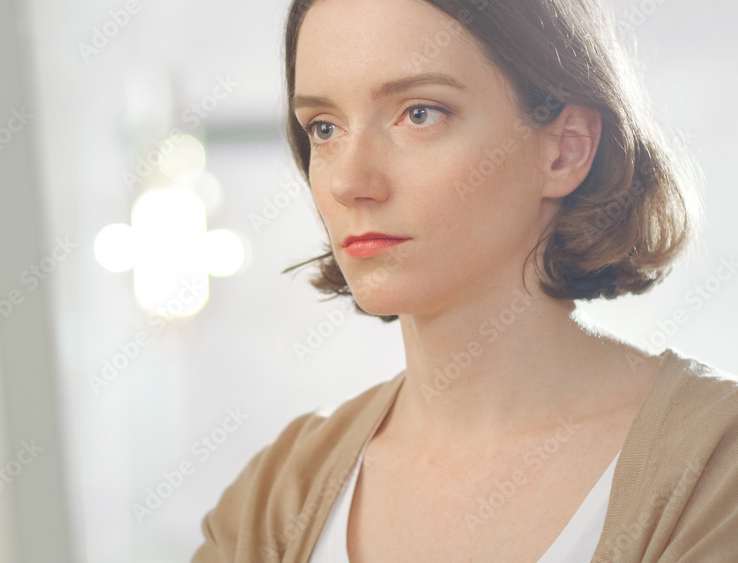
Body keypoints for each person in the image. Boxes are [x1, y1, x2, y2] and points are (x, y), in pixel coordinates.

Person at [193, 0, 738, 561]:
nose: (350, 182)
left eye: (420, 113)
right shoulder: (275, 495)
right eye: (324, 129)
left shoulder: (716, 468)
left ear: (566, 148)